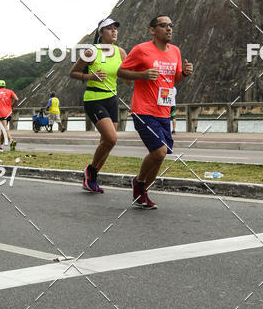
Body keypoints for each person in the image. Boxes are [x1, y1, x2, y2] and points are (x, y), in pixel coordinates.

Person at [118, 16, 193, 210]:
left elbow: (172, 79)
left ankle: (143, 192)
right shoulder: (141, 50)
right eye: (163, 25)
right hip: (143, 110)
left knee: (161, 154)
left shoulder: (175, 51)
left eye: (171, 25)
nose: (168, 29)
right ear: (153, 30)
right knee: (159, 151)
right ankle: (139, 182)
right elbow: (121, 72)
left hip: (164, 110)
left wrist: (184, 73)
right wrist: (141, 75)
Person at [70, 17, 126, 193]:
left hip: (112, 100)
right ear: (100, 33)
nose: (114, 31)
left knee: (107, 142)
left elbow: (126, 76)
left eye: (115, 28)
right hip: (94, 99)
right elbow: (73, 73)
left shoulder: (121, 53)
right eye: (109, 29)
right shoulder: (91, 52)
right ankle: (91, 171)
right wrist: (90, 77)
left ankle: (92, 178)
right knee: (111, 138)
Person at [0, 79, 18, 151]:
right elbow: (16, 99)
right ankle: (0, 146)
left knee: (4, 128)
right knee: (3, 130)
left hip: (1, 113)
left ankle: (11, 140)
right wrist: (12, 106)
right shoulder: (10, 91)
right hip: (9, 112)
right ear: (5, 85)